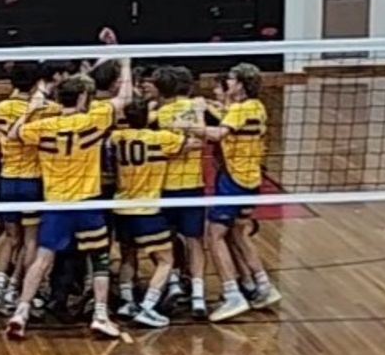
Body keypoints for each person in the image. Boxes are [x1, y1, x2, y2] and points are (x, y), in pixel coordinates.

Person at [6, 60, 133, 341]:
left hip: (56, 205)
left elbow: (14, 134)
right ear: (84, 97)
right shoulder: (93, 119)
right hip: (87, 203)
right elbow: (124, 98)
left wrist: (32, 107)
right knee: (99, 259)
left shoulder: (44, 126)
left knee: (43, 259)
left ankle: (21, 312)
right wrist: (125, 63)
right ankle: (100, 315)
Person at [183, 62, 281, 322]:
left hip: (234, 180)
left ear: (241, 84)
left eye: (233, 79)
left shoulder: (239, 109)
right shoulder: (257, 106)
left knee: (214, 235)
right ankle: (264, 286)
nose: (229, 83)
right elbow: (229, 116)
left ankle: (232, 294)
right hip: (252, 178)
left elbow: (218, 134)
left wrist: (189, 124)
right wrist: (212, 105)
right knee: (239, 232)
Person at [112, 97, 195, 329]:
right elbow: (194, 143)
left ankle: (127, 302)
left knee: (128, 256)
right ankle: (148, 306)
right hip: (147, 209)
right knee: (166, 260)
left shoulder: (117, 137)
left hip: (121, 207)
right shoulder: (162, 138)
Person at [153, 65, 212, 320]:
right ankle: (198, 294)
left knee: (165, 239)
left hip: (165, 186)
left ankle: (174, 282)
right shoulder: (196, 109)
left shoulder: (161, 114)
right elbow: (202, 138)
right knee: (194, 240)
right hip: (192, 185)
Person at [0, 61, 47, 311]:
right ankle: (19, 288)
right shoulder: (46, 110)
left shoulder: (2, 107)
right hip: (31, 181)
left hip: (7, 180)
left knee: (12, 238)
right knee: (31, 240)